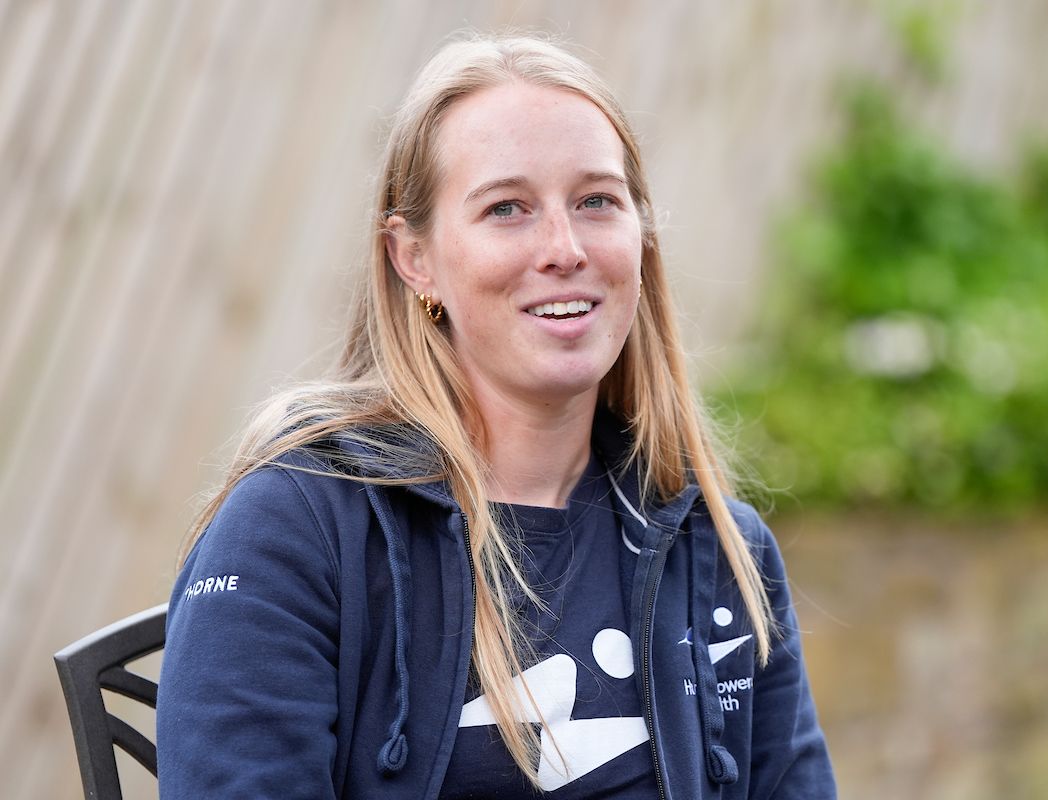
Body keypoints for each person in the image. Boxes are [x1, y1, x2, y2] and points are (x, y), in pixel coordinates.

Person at [156, 32, 836, 799]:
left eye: (597, 201)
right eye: (507, 208)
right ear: (414, 258)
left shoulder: (717, 548)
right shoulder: (298, 527)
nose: (564, 247)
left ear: (640, 238)